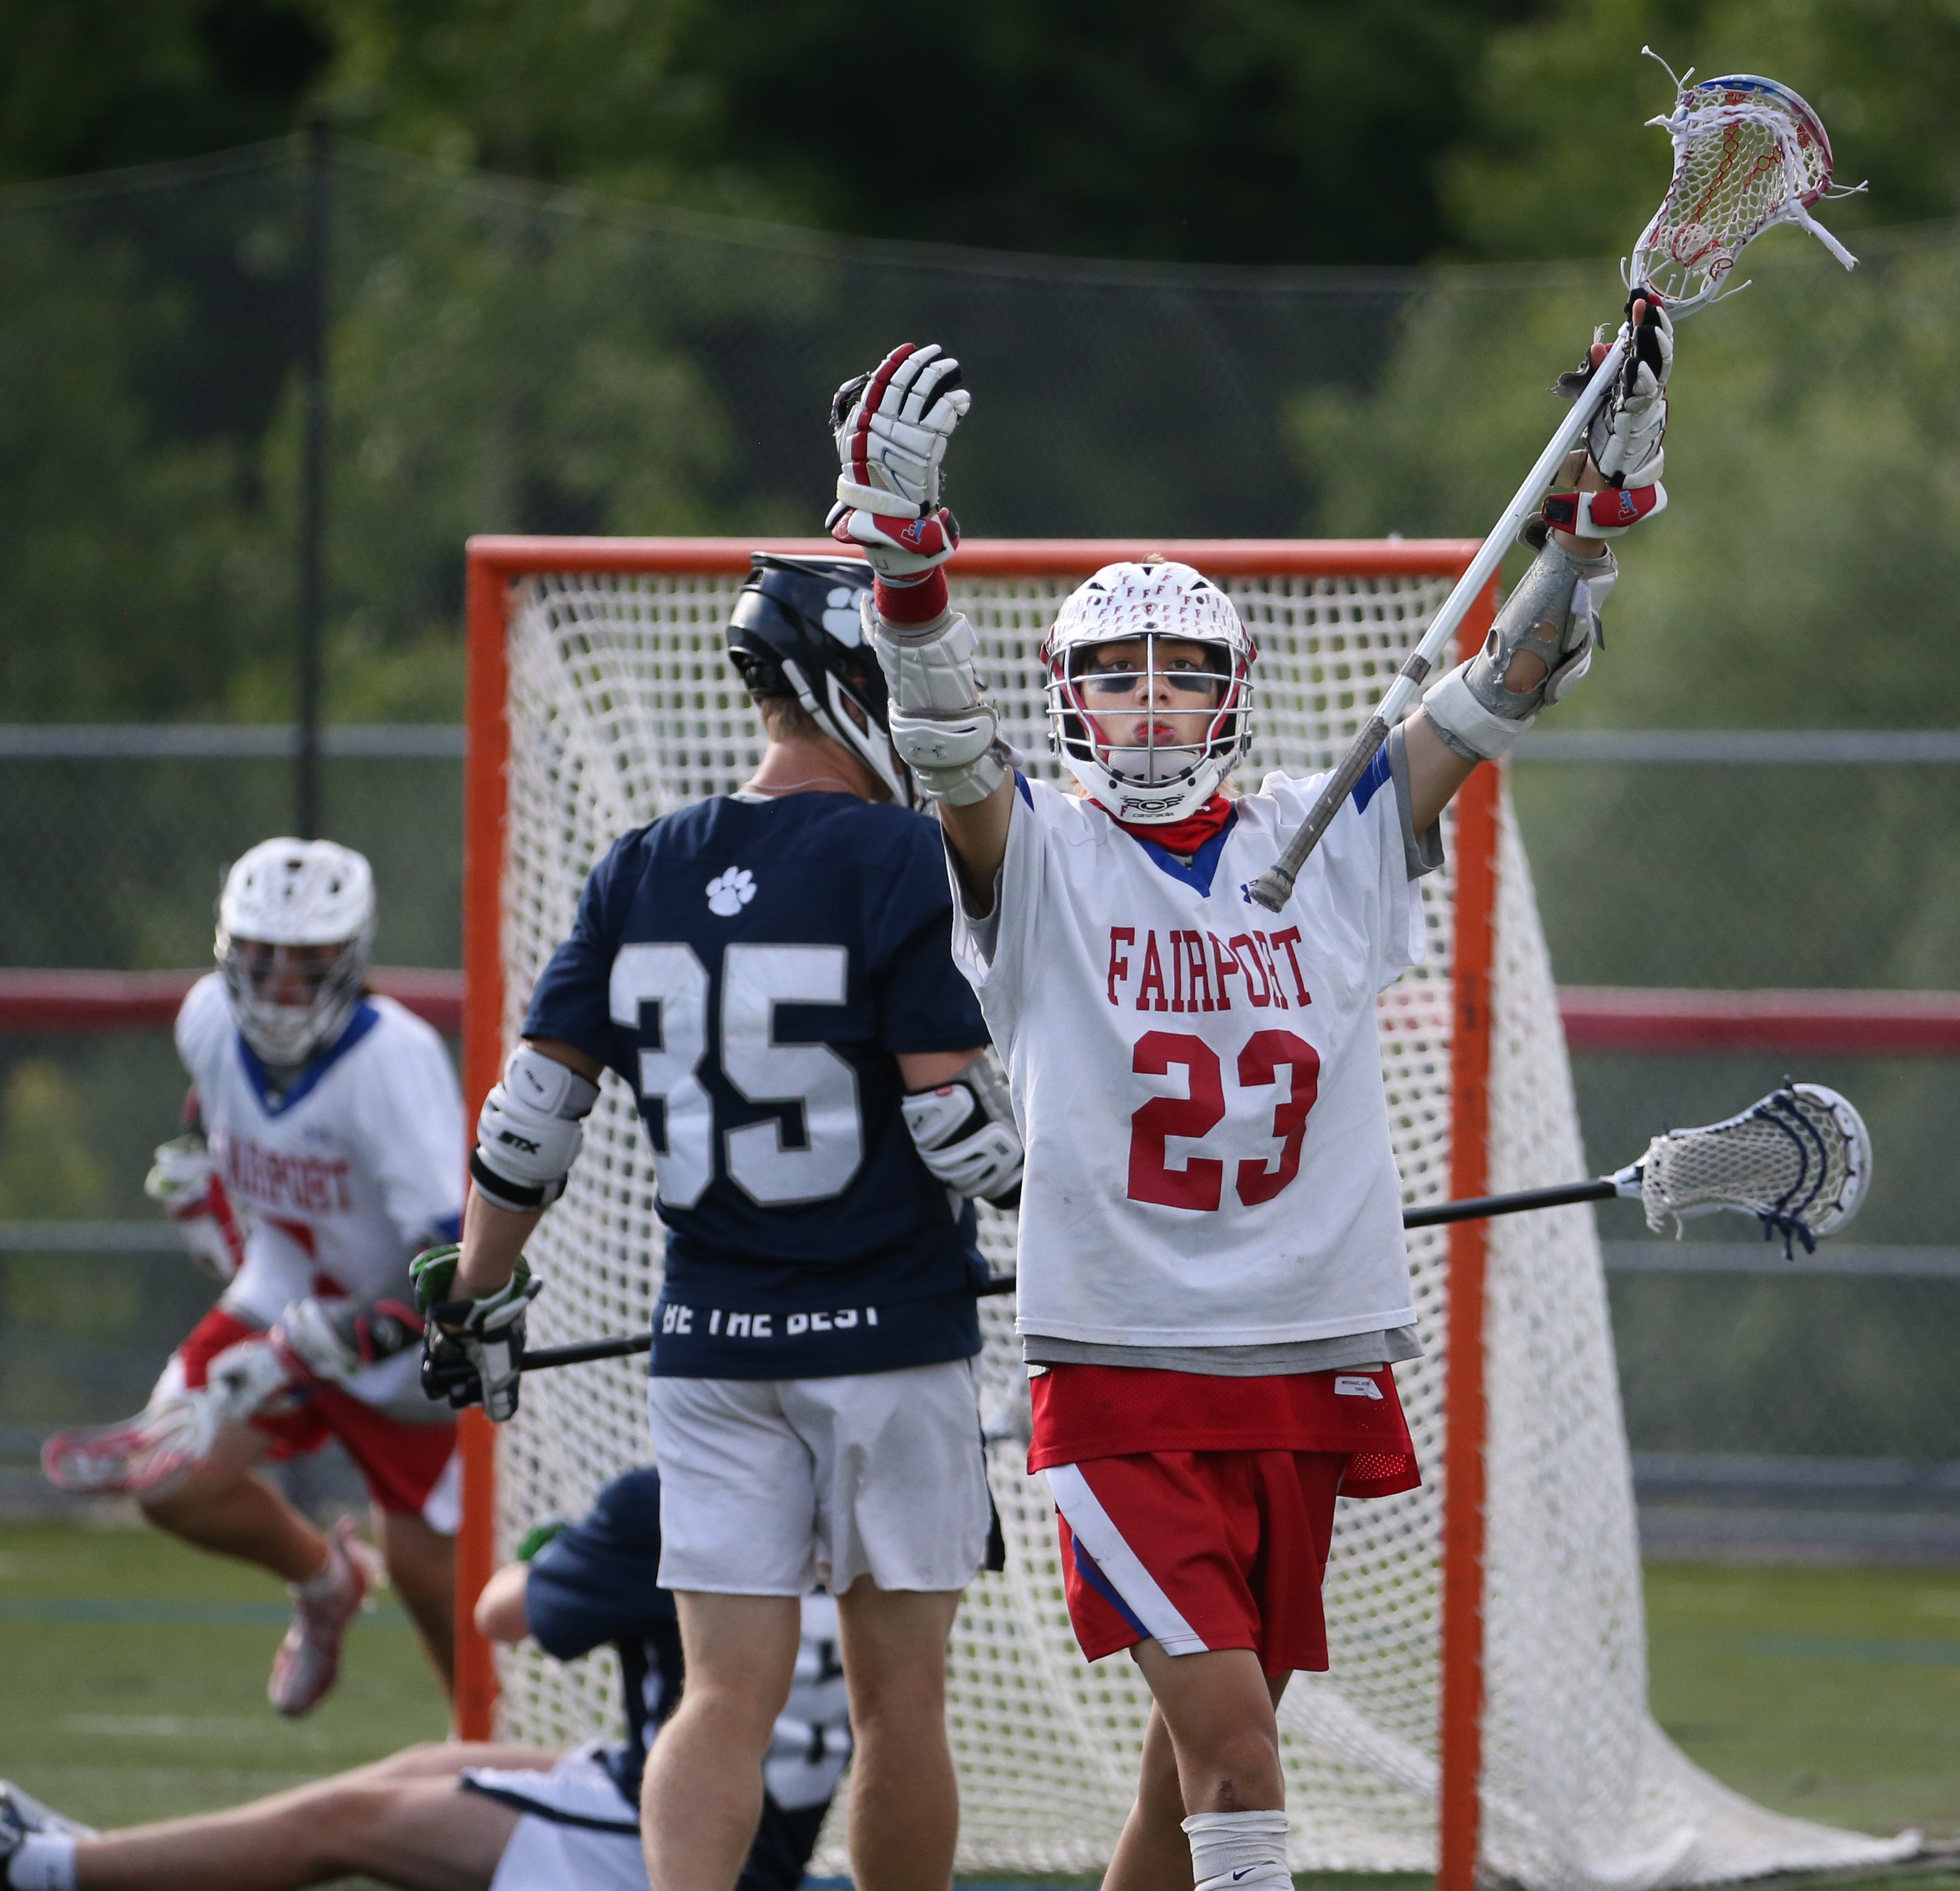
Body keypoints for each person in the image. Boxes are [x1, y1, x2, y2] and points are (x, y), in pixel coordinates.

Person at [849, 311, 1673, 1891]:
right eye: (1113, 677)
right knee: (1238, 1751)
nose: (1147, 705)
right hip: (1119, 1373)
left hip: (1302, 1356)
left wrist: (1585, 536)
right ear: (1070, 699)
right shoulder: (1039, 858)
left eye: (1177, 675)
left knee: (1190, 1779)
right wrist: (905, 568)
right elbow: (939, 734)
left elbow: (1512, 676)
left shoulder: (1332, 832)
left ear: (1227, 689)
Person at [414, 547, 1023, 1891]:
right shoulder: (896, 851)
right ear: (849, 682)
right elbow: (957, 1131)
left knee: (718, 1695)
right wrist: (1094, 1211)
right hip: (889, 1330)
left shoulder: (642, 864)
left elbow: (528, 1123)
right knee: (897, 1706)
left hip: (709, 1340)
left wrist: (479, 1290)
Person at [50, 839, 466, 1717]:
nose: (279, 984)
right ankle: (325, 1584)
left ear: (349, 959)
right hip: (281, 1291)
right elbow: (216, 1102)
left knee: (439, 1597)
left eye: (307, 962)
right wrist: (207, 1180)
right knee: (168, 1479)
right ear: (227, 951)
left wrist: (337, 1343)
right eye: (261, 957)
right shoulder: (205, 1018)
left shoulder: (392, 1061)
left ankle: (487, 1766)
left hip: (406, 1348)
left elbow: (455, 1258)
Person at [0, 1467, 852, 1891]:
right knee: (422, 1764)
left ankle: (43, 1870)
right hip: (755, 1821)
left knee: (342, 1822)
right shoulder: (850, 1492)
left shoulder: (670, 1500)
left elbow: (501, 1615)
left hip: (666, 1844)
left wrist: (557, 1549)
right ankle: (100, 1856)